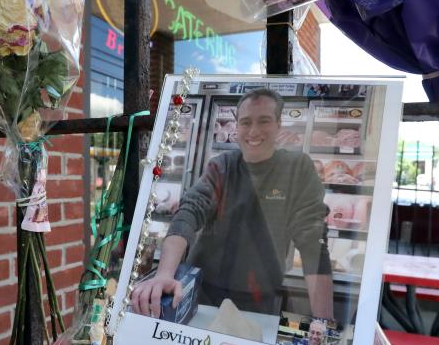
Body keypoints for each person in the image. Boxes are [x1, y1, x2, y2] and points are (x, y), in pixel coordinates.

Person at [131, 88, 334, 320]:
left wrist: (323, 323)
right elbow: (189, 212)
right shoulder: (222, 166)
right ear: (237, 127)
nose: (254, 131)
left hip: (259, 300)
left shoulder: (297, 168)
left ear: (279, 124)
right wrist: (165, 273)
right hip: (203, 293)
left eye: (264, 121)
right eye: (246, 122)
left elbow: (313, 243)